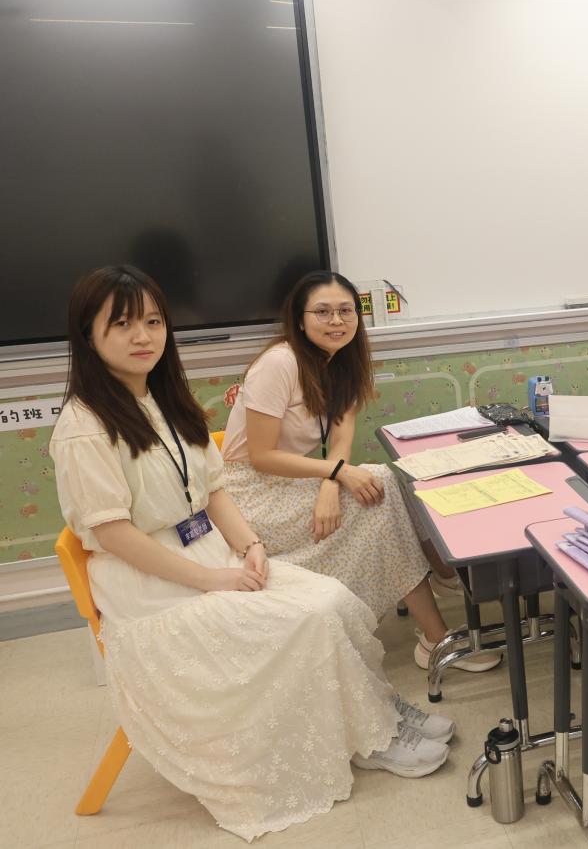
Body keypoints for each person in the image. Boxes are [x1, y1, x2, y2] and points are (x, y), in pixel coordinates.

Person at [50, 266, 455, 842]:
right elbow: (113, 534)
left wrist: (251, 545)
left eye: (154, 321)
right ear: (88, 336)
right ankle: (369, 737)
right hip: (152, 589)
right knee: (310, 616)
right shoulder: (85, 426)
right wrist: (211, 579)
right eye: (122, 324)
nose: (143, 336)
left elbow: (213, 489)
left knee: (332, 598)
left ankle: (375, 714)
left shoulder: (163, 399)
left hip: (211, 552)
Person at [219, 270, 499, 673]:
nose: (336, 321)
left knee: (386, 482)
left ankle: (439, 599)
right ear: (300, 320)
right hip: (248, 496)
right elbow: (261, 456)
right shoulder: (278, 363)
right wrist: (338, 474)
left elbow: (341, 437)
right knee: (378, 490)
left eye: (346, 311)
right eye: (322, 312)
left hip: (296, 481)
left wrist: (331, 484)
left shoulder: (343, 362)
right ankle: (439, 608)